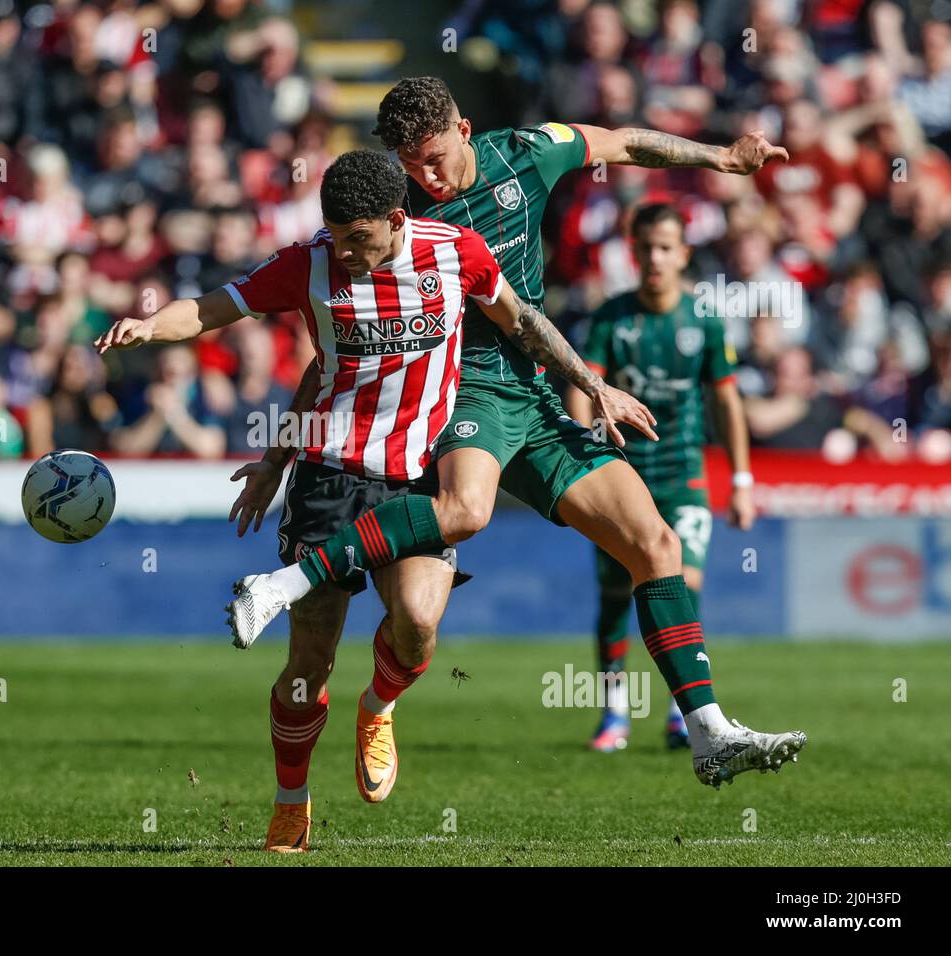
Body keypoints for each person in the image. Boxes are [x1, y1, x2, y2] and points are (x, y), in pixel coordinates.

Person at [227, 76, 807, 790]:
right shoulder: (390, 221)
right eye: (408, 165)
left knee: (656, 544)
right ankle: (291, 586)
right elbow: (329, 355)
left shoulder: (529, 154)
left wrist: (720, 157)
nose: (424, 178)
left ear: (465, 131)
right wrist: (277, 453)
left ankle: (710, 731)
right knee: (466, 514)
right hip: (459, 392)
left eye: (433, 158)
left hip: (533, 391)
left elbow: (620, 141)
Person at [95, 148, 608, 852]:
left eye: (358, 239)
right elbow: (216, 307)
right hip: (329, 475)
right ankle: (290, 803)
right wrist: (152, 326)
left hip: (418, 474)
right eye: (335, 237)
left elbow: (521, 322)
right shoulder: (309, 263)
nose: (345, 252)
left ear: (396, 220)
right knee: (309, 662)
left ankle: (379, 707)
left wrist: (592, 384)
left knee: (419, 624)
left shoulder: (457, 253)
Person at [568, 202, 754, 752]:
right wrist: (581, 457)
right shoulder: (611, 318)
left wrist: (741, 480)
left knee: (683, 581)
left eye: (666, 248)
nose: (655, 258)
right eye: (646, 248)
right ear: (634, 253)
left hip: (683, 475)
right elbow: (584, 389)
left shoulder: (703, 319)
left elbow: (726, 400)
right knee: (613, 595)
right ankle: (614, 714)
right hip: (619, 475)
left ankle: (682, 711)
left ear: (683, 254)